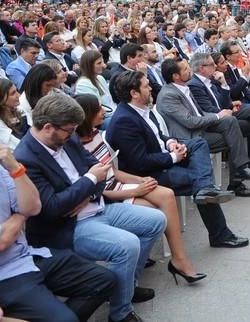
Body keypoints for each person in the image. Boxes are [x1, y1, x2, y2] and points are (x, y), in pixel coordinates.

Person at [14, 95, 167, 322]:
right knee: (127, 246)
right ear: (48, 127)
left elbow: (100, 173)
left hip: (96, 206)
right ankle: (120, 313)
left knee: (156, 220)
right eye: (68, 130)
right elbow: (53, 207)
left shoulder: (67, 139)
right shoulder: (26, 157)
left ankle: (125, 288)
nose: (71, 134)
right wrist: (88, 181)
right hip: (68, 226)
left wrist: (88, 190)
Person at [0, 113, 115, 322]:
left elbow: (33, 206)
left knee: (104, 280)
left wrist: (15, 169)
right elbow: (0, 240)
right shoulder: (28, 152)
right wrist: (20, 213)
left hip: (28, 255)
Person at [106, 70, 249, 249]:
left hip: (163, 158)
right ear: (134, 93)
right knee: (201, 181)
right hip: (150, 175)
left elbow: (159, 136)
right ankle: (219, 231)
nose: (151, 89)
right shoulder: (124, 120)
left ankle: (205, 191)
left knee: (198, 144)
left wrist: (171, 143)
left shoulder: (141, 108)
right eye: (146, 86)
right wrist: (174, 157)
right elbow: (140, 162)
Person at [73, 94, 205, 285]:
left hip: (118, 185)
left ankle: (178, 258)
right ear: (87, 115)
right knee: (153, 211)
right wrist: (134, 191)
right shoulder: (76, 147)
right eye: (97, 109)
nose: (103, 111)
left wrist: (140, 180)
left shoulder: (95, 135)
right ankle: (129, 273)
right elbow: (95, 190)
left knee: (166, 194)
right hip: (108, 197)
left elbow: (114, 171)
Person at [155, 58, 250, 196]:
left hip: (199, 129)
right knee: (234, 137)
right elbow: (190, 121)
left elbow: (199, 113)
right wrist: (217, 116)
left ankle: (241, 170)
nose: (190, 70)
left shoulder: (183, 87)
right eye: (185, 69)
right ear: (175, 76)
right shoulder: (168, 95)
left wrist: (220, 114)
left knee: (230, 121)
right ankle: (237, 180)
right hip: (189, 137)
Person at [0, 79, 27, 151]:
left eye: (16, 91)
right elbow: (16, 146)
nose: (18, 95)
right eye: (13, 93)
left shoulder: (17, 111)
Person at [75, 50, 116, 123]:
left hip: (112, 113)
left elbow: (110, 101)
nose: (103, 65)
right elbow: (97, 108)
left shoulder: (100, 78)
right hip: (102, 119)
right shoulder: (83, 84)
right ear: (89, 65)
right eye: (99, 63)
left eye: (103, 62)